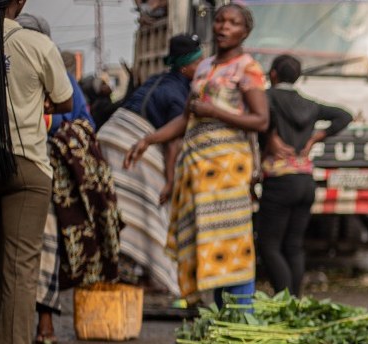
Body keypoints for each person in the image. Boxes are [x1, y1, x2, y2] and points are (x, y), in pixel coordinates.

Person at [124, 5, 268, 308]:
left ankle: (242, 315)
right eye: (219, 20)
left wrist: (215, 111)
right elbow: (186, 118)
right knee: (210, 244)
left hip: (228, 168)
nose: (223, 26)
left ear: (245, 31)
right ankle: (220, 316)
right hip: (198, 169)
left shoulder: (247, 68)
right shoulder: (204, 68)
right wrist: (149, 139)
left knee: (233, 242)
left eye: (233, 23)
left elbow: (261, 120)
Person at [0, 0, 74, 344]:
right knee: (19, 271)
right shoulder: (36, 44)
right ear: (20, 1)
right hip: (25, 166)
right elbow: (64, 100)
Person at [16, 13, 120, 344]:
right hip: (29, 166)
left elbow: (77, 119)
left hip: (45, 169)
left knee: (45, 243)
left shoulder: (54, 74)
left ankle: (43, 323)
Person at [99, 34, 202, 297]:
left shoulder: (158, 79)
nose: (202, 64)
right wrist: (169, 181)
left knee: (124, 211)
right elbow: (173, 143)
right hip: (131, 142)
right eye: (198, 59)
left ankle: (128, 271)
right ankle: (155, 274)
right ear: (186, 66)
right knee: (151, 208)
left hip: (109, 136)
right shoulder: (181, 94)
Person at [258, 54, 352, 296]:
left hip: (279, 181)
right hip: (306, 181)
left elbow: (258, 121)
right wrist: (316, 137)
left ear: (273, 74)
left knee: (269, 245)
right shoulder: (309, 105)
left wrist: (270, 138)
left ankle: (284, 298)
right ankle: (295, 301)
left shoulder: (266, 98)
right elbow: (344, 115)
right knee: (294, 245)